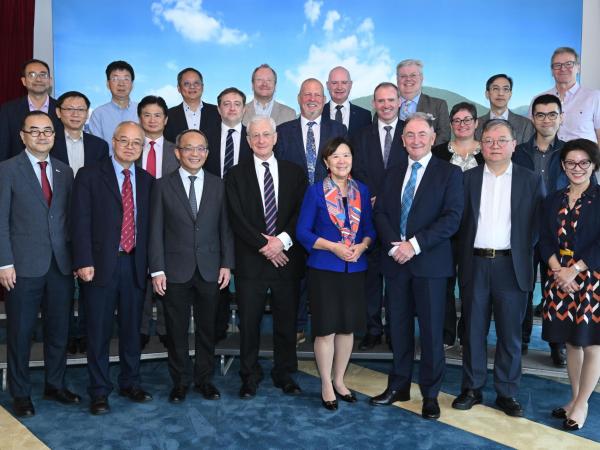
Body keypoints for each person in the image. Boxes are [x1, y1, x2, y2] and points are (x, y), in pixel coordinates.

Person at [370, 112, 464, 420]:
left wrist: (415, 245)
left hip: (431, 265)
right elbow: (381, 213)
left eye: (422, 134)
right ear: (402, 140)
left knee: (432, 334)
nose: (416, 140)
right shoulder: (392, 172)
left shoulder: (449, 173)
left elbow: (451, 218)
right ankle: (398, 386)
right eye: (410, 135)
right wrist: (395, 245)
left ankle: (430, 394)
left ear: (433, 138)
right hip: (396, 263)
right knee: (397, 329)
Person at [453, 119, 541, 418]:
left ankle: (506, 392)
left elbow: (537, 226)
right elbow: (460, 223)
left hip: (511, 267)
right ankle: (472, 388)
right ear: (480, 145)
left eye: (501, 140)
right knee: (473, 331)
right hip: (475, 264)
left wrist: (519, 251)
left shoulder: (530, 180)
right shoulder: (468, 179)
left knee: (509, 334)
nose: (494, 146)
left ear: (514, 145)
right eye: (488, 140)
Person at [0, 111, 80, 417]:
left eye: (47, 131)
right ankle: (20, 393)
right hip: (21, 267)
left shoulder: (64, 171)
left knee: (58, 330)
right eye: (34, 131)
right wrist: (4, 261)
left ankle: (55, 384)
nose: (42, 136)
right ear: (23, 136)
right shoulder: (7, 170)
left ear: (54, 136)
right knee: (21, 332)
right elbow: (2, 222)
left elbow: (68, 220)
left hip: (60, 266)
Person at [71, 121, 153, 415]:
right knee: (99, 331)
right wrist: (82, 260)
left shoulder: (146, 180)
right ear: (113, 142)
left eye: (136, 142)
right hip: (99, 266)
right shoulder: (90, 175)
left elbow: (150, 229)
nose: (130, 146)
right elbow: (79, 221)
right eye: (124, 140)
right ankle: (99, 391)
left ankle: (130, 382)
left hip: (135, 266)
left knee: (133, 330)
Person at [149, 129, 234, 403]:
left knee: (208, 329)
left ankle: (204, 380)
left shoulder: (218, 184)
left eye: (201, 149)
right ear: (177, 152)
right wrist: (157, 268)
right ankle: (180, 382)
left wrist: (226, 264)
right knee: (176, 330)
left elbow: (225, 228)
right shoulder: (162, 186)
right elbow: (155, 231)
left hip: (210, 269)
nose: (195, 153)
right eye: (188, 148)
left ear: (207, 154)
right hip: (174, 270)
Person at [226, 116, 307, 399]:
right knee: (249, 324)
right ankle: (249, 375)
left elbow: (301, 214)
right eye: (255, 136)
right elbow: (236, 218)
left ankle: (285, 373)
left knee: (287, 324)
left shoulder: (295, 173)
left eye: (266, 134)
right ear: (248, 142)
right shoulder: (235, 175)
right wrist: (266, 245)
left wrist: (282, 242)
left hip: (287, 261)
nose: (261, 140)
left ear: (275, 138)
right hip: (252, 262)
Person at [296, 137, 375, 410]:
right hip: (324, 269)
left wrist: (362, 247)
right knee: (326, 330)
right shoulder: (315, 192)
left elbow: (369, 230)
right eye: (336, 157)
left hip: (355, 267)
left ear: (352, 159)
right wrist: (333, 247)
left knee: (347, 328)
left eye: (347, 155)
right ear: (327, 162)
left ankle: (340, 380)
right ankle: (326, 385)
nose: (342, 161)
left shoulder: (362, 191)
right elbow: (302, 232)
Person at [275, 78, 346, 343]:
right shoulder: (284, 130)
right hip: (293, 211)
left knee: (325, 273)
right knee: (296, 273)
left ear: (325, 99)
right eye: (307, 94)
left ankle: (326, 327)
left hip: (331, 213)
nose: (312, 99)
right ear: (299, 98)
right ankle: (297, 325)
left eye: (317, 94)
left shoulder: (338, 129)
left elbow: (345, 166)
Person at [540, 138, 600, 431]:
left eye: (583, 162)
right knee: (571, 342)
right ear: (562, 166)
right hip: (560, 280)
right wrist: (558, 270)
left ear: (593, 165)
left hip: (592, 280)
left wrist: (575, 270)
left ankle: (584, 404)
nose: (577, 168)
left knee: (592, 344)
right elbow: (544, 238)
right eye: (570, 163)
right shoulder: (554, 199)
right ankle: (574, 398)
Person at [53, 90, 109, 355]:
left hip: (91, 224)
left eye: (80, 109)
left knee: (90, 283)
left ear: (87, 113)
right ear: (58, 112)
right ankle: (64, 336)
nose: (75, 114)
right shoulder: (49, 142)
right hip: (57, 221)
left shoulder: (99, 146)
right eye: (70, 109)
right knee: (62, 284)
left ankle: (86, 334)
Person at [513, 94, 567, 364]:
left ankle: (557, 346)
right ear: (532, 118)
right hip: (524, 230)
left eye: (552, 114)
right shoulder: (518, 152)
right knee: (522, 288)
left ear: (561, 117)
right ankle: (520, 340)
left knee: (555, 288)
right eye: (541, 114)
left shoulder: (572, 152)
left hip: (559, 234)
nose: (547, 119)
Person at [352, 82, 406, 351]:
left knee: (396, 280)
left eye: (390, 100)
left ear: (399, 102)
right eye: (380, 101)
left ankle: (395, 332)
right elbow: (356, 171)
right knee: (371, 278)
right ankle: (372, 329)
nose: (386, 105)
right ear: (374, 104)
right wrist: (372, 197)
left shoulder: (412, 132)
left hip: (401, 218)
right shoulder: (361, 135)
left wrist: (386, 200)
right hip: (368, 216)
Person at [432, 102, 484, 349]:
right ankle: (446, 333)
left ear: (476, 123)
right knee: (444, 282)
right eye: (457, 121)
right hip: (443, 228)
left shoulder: (488, 153)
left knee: (471, 285)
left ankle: (467, 335)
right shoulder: (438, 152)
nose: (462, 125)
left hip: (478, 229)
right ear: (451, 125)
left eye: (467, 120)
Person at [205, 87, 253, 342]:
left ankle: (247, 328)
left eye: (237, 104)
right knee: (216, 270)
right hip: (211, 212)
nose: (232, 108)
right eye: (227, 103)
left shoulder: (254, 138)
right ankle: (218, 327)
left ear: (245, 108)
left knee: (244, 270)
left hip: (246, 215)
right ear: (218, 108)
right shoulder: (205, 138)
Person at [136, 95, 179, 349]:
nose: (152, 120)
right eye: (147, 115)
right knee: (140, 277)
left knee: (167, 277)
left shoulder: (178, 151)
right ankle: (141, 329)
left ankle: (165, 328)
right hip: (138, 222)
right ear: (140, 119)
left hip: (171, 224)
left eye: (157, 115)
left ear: (165, 119)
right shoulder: (130, 147)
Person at [532, 47, 600, 143]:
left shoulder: (594, 97)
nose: (563, 69)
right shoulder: (538, 100)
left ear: (578, 68)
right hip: (549, 157)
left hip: (584, 156)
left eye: (569, 64)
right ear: (552, 71)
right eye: (557, 65)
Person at [0, 59, 62, 161]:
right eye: (32, 75)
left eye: (43, 75)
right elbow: (3, 147)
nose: (38, 79)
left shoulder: (61, 109)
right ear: (24, 81)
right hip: (18, 173)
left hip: (56, 172)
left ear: (50, 80)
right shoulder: (8, 110)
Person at [396, 59, 450, 145]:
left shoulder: (438, 105)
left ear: (421, 78)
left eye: (413, 75)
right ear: (397, 79)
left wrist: (421, 154)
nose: (408, 79)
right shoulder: (386, 108)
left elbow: (444, 137)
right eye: (403, 76)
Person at [89, 60, 139, 152]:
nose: (121, 84)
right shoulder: (98, 114)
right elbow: (97, 148)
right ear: (108, 84)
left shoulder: (142, 111)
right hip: (107, 165)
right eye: (115, 79)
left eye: (126, 79)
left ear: (132, 84)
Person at [164, 68, 220, 143]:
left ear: (202, 87)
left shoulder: (218, 112)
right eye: (187, 84)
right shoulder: (168, 115)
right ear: (179, 88)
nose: (192, 87)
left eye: (196, 83)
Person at [475, 74, 534, 145]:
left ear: (510, 94)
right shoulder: (476, 124)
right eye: (496, 89)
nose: (501, 93)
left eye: (505, 89)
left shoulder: (526, 125)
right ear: (487, 94)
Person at [324, 66, 372, 138]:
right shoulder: (318, 113)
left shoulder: (365, 116)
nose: (339, 87)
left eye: (344, 82)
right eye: (334, 83)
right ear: (327, 85)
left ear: (350, 85)